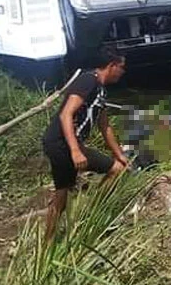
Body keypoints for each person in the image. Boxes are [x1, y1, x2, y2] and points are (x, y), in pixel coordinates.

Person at [42, 47, 129, 239]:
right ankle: (91, 217)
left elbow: (104, 126)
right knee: (116, 171)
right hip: (61, 143)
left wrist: (119, 154)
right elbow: (66, 114)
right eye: (121, 67)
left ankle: (48, 243)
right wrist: (75, 151)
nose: (123, 72)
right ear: (112, 65)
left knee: (62, 195)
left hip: (61, 143)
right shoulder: (88, 80)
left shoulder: (101, 90)